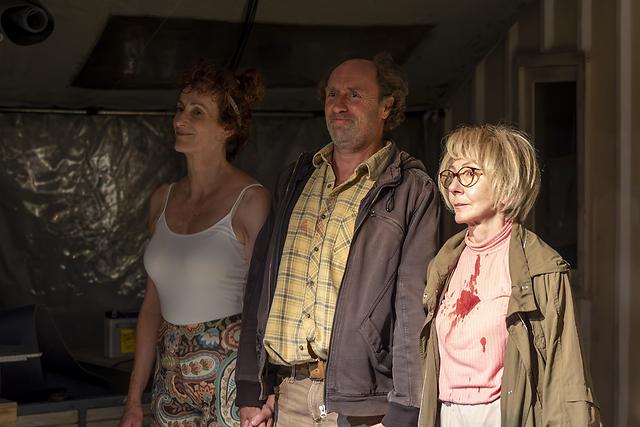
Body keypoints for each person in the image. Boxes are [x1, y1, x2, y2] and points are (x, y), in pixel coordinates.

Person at [235, 52, 440, 427]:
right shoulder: (295, 179)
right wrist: (251, 385)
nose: (339, 105)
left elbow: (414, 308)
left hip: (364, 405)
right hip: (287, 395)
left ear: (386, 106)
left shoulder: (411, 189)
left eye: (354, 95)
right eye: (332, 94)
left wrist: (406, 409)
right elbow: (258, 285)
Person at [119, 59, 271, 427]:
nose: (180, 119)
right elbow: (151, 307)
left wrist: (261, 392)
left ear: (227, 128)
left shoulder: (251, 200)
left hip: (233, 376)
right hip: (169, 373)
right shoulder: (162, 198)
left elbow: (267, 305)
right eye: (180, 108)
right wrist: (133, 399)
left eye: (197, 112)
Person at [418, 124, 601, 427]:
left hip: (503, 416)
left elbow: (566, 377)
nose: (454, 187)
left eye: (469, 174)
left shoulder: (541, 269)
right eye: (451, 175)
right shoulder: (443, 264)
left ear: (507, 189)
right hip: (447, 415)